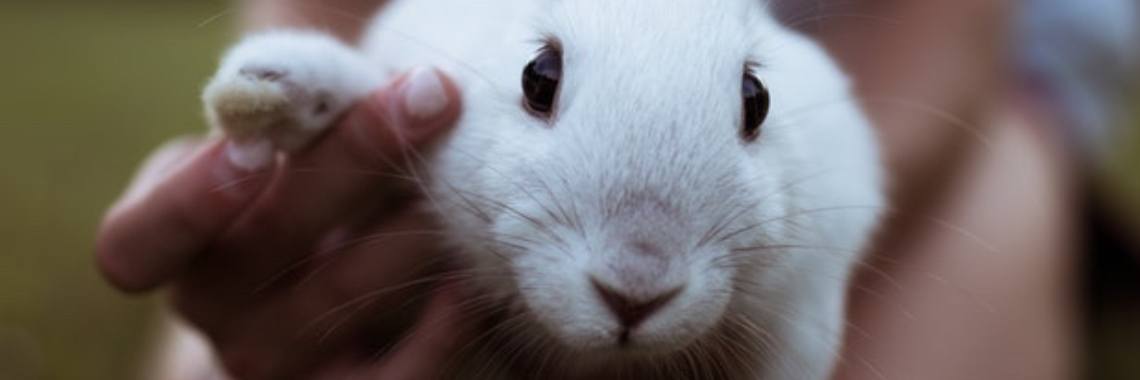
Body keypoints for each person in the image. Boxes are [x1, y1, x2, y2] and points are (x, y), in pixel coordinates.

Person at [96, 0, 1082, 378]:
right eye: (540, 86)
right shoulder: (453, 40)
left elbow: (927, 82)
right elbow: (342, 33)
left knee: (991, 217)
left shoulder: (813, 89)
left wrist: (787, 297)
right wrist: (308, 130)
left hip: (985, 74)